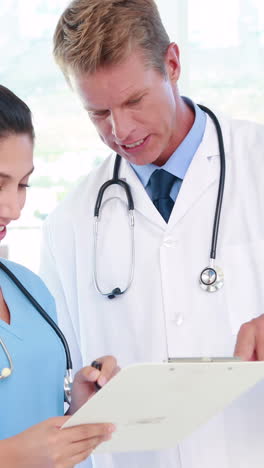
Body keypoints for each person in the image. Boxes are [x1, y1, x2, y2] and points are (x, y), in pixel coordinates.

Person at [39, 1, 264, 467]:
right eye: (98, 113)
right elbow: (61, 396)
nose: (120, 130)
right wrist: (78, 395)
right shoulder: (69, 225)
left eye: (133, 101)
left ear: (173, 64)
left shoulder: (256, 161)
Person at [0, 84, 117, 467]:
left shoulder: (28, 288)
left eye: (23, 184)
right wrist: (11, 456)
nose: (14, 208)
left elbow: (38, 418)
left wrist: (78, 408)